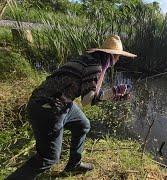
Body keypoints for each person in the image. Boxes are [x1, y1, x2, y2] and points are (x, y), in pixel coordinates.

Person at [6, 35, 137, 180]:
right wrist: (114, 92)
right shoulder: (95, 66)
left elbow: (90, 94)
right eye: (118, 56)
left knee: (83, 125)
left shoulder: (86, 59)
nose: (118, 60)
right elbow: (87, 101)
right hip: (48, 108)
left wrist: (112, 95)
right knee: (48, 158)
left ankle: (74, 164)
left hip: (59, 102)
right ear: (111, 56)